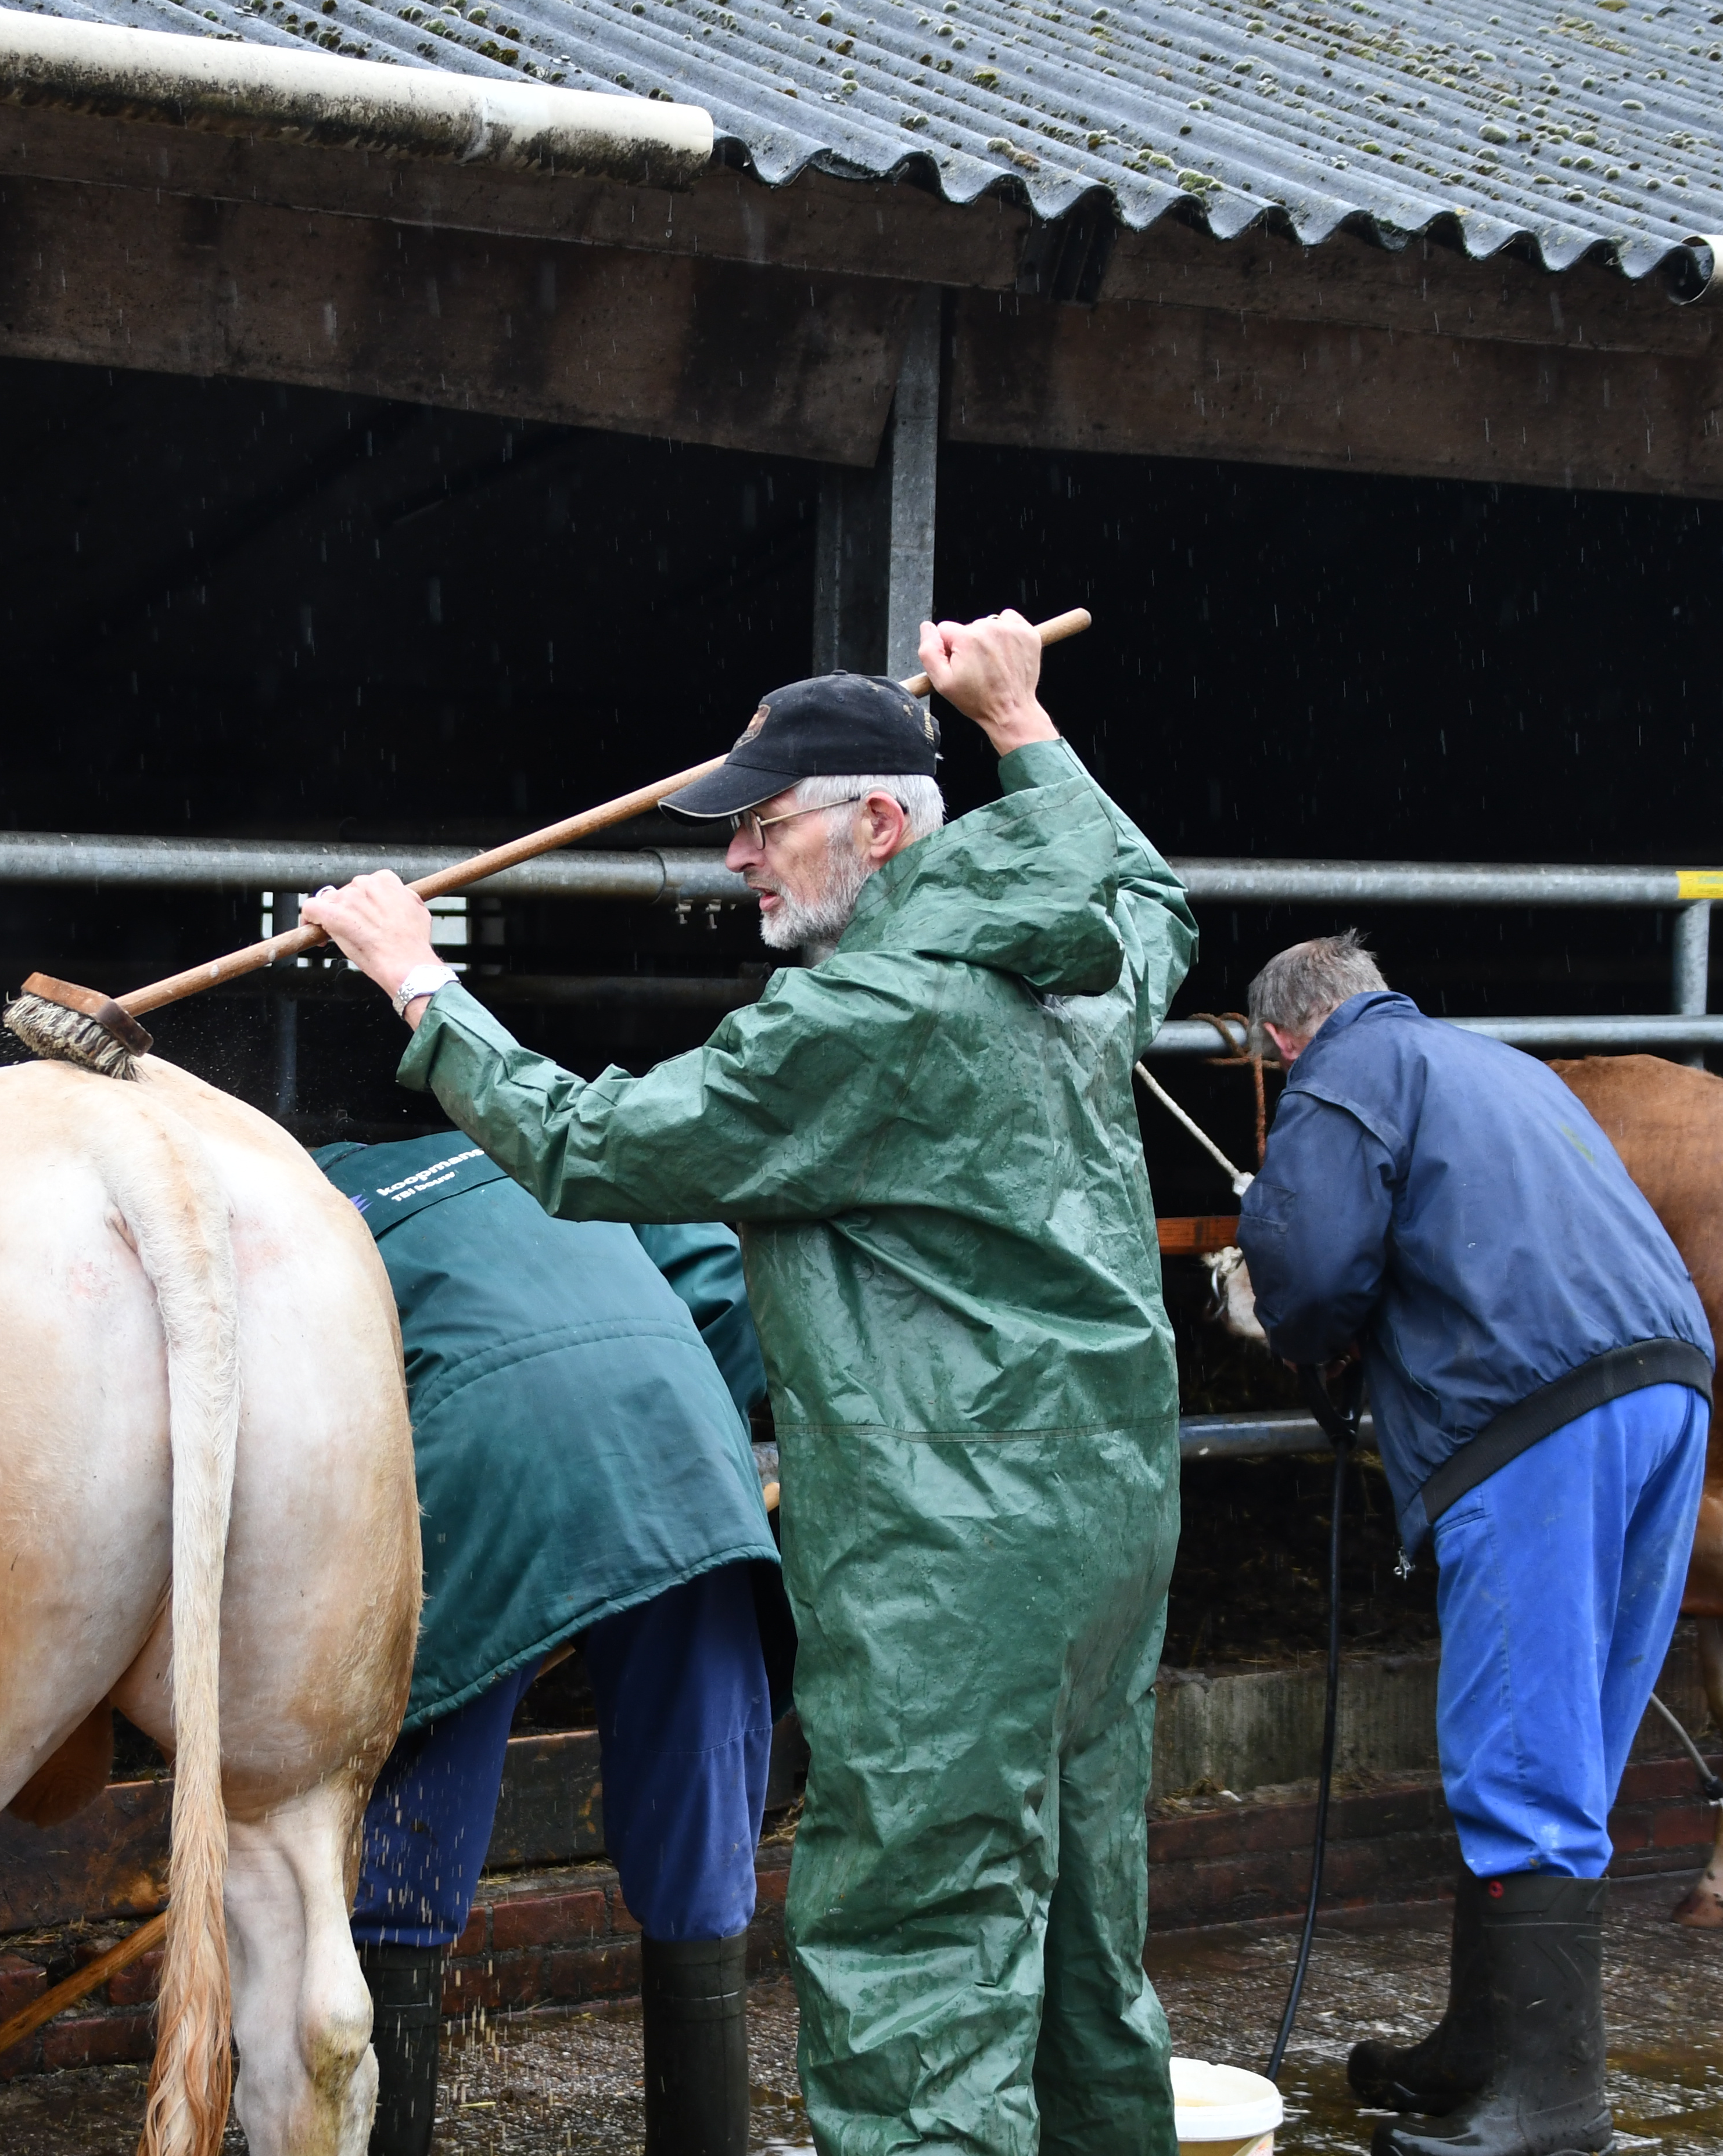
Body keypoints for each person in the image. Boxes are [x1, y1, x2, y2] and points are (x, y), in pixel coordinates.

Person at [304, 611, 1195, 2155]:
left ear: (871, 821)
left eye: (765, 828)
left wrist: (417, 988)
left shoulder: (863, 1017)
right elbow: (1146, 891)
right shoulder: (1083, 966)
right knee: (1075, 1943)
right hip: (1106, 1523)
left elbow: (590, 1150)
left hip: (951, 1554)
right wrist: (1022, 721)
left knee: (920, 1956)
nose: (739, 863)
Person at [1228, 932, 1713, 2156]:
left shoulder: (1344, 1073)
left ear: (1283, 1039)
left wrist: (1272, 1296)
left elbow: (1314, 1265)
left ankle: (1549, 2106)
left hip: (1532, 1415)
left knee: (1520, 1741)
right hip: (1668, 1389)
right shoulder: (1499, 1065)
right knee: (1572, 1738)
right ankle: (1485, 2046)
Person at [311, 1133, 787, 2156]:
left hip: (477, 1469)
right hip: (684, 1454)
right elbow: (722, 1284)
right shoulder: (532, 1149)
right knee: (700, 1828)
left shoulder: (303, 1195)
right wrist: (682, 1421)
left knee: (408, 1824)